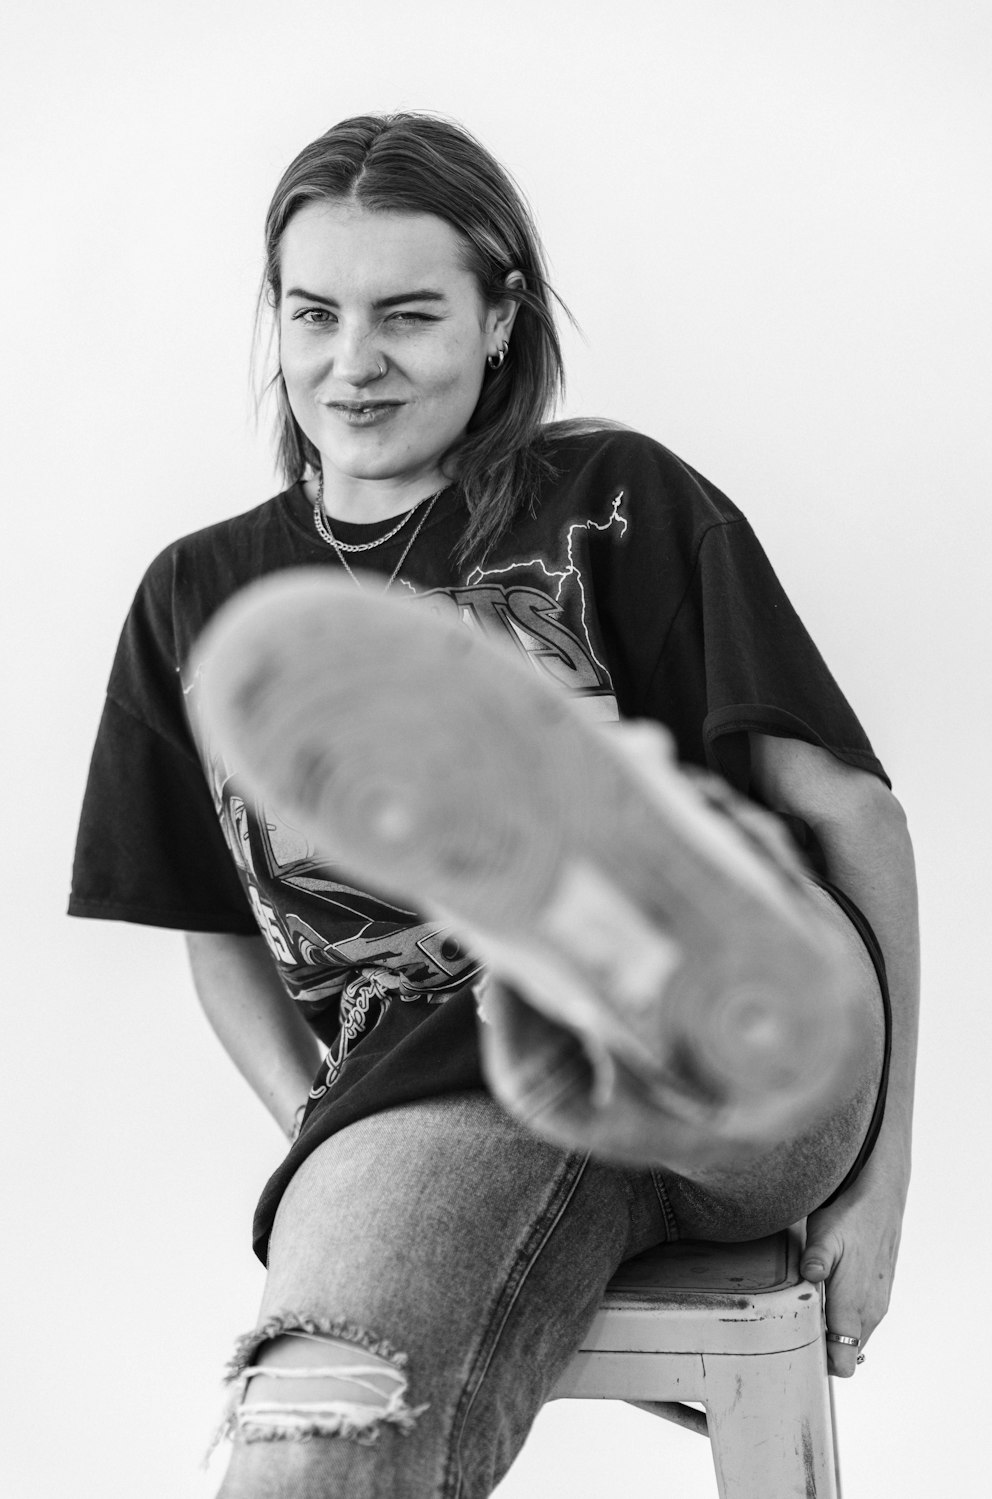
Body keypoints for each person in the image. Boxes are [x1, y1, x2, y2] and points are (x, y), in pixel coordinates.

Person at [68, 113, 918, 1498]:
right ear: (272, 322)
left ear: (502, 317)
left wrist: (881, 1198)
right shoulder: (199, 601)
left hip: (739, 1059)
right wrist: (324, 1135)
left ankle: (608, 879)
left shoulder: (618, 499)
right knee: (310, 1450)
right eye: (315, 315)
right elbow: (208, 925)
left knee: (679, 956)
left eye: (410, 315)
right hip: (448, 1100)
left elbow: (860, 824)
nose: (355, 363)